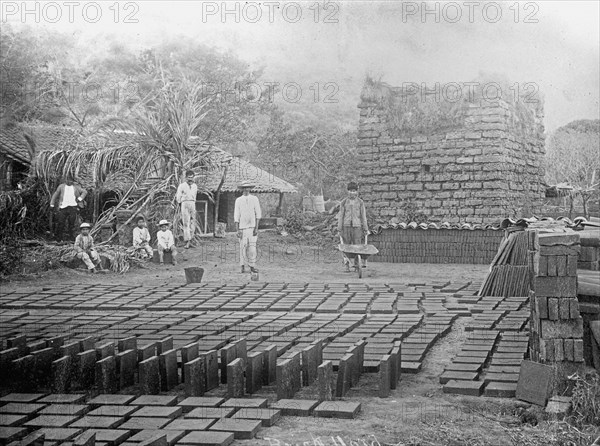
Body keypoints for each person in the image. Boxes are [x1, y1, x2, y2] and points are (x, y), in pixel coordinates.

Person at [337, 182, 369, 271]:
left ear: (357, 192)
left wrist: (365, 228)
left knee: (357, 246)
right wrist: (339, 228)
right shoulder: (343, 202)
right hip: (346, 227)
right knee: (346, 246)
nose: (352, 193)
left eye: (354, 191)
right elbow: (341, 216)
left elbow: (363, 216)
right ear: (347, 191)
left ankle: (356, 265)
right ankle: (346, 264)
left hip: (357, 227)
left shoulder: (360, 202)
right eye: (350, 191)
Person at [234, 180, 261, 274]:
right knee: (242, 247)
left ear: (250, 188)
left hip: (252, 227)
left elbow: (258, 214)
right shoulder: (238, 200)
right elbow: (236, 215)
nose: (246, 189)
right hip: (242, 228)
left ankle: (252, 266)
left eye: (247, 187)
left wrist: (256, 228)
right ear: (242, 189)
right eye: (244, 188)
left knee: (252, 248)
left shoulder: (254, 199)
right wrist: (238, 230)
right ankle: (242, 266)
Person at [50, 175, 87, 242]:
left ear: (72, 181)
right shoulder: (61, 186)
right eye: (67, 180)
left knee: (71, 223)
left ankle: (71, 238)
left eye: (70, 180)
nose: (69, 181)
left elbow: (84, 192)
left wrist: (80, 199)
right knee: (61, 223)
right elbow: (55, 195)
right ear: (65, 180)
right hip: (63, 207)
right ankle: (59, 238)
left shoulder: (76, 187)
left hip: (73, 207)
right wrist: (52, 204)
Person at [175, 170, 198, 249]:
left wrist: (193, 203)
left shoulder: (195, 186)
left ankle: (191, 240)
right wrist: (180, 203)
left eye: (191, 177)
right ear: (186, 177)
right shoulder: (182, 185)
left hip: (192, 203)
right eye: (189, 177)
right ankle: (187, 241)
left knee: (193, 222)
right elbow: (178, 196)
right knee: (186, 223)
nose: (190, 179)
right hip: (184, 203)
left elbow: (195, 196)